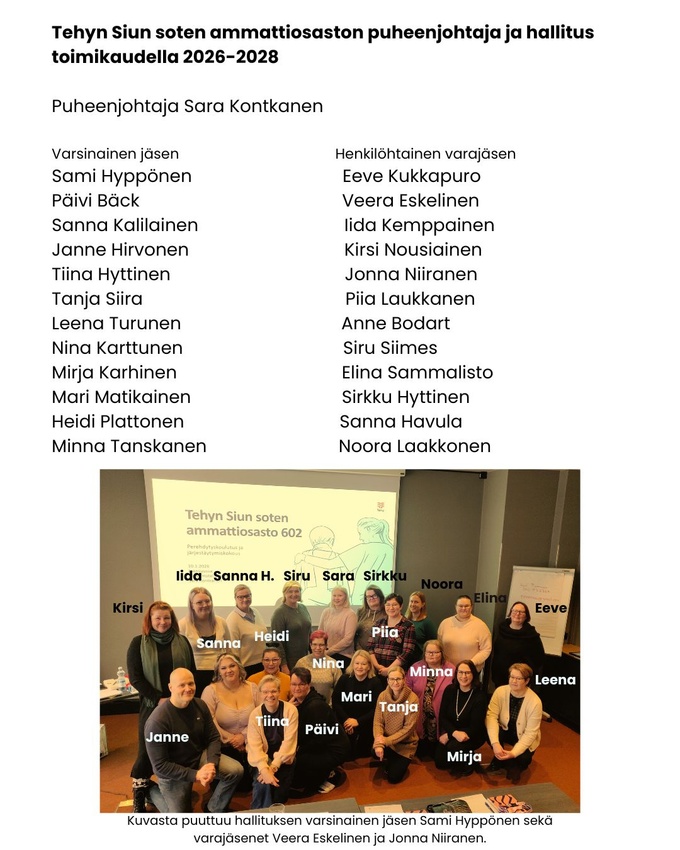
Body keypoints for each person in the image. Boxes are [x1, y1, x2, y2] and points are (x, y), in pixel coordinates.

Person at [127, 601, 196, 812]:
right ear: (150, 620)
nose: (162, 622)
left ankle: (172, 788)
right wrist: (159, 699)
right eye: (157, 618)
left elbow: (191, 671)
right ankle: (140, 794)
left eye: (166, 618)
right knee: (146, 751)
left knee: (177, 747)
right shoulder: (138, 643)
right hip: (152, 705)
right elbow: (136, 678)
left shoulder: (182, 641)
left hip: (181, 705)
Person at [144, 668, 243, 813]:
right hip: (173, 772)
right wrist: (196, 775)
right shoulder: (157, 721)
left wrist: (211, 764)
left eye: (191, 683)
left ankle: (214, 808)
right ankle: (150, 791)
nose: (188, 688)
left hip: (197, 757)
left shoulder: (200, 705)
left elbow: (213, 737)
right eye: (182, 685)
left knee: (236, 771)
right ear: (171, 687)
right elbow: (160, 766)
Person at [288, 667, 350, 796]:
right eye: (294, 684)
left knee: (299, 769)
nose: (297, 688)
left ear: (309, 685)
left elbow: (318, 741)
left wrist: (297, 752)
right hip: (320, 745)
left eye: (301, 684)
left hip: (333, 750)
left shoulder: (315, 706)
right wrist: (289, 709)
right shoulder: (299, 702)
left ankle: (331, 774)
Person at [201, 653, 262, 777]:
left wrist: (243, 736)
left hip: (251, 742)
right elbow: (209, 721)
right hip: (222, 746)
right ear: (219, 672)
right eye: (223, 668)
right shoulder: (210, 691)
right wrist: (231, 739)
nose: (228, 670)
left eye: (232, 666)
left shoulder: (253, 688)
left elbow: (261, 716)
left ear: (239, 667)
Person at [247, 675, 298, 809]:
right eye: (265, 692)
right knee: (262, 783)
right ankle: (258, 815)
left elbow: (289, 742)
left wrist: (273, 767)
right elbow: (254, 746)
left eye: (273, 691)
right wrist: (264, 769)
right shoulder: (255, 715)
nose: (270, 695)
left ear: (279, 692)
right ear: (260, 694)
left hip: (284, 757)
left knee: (279, 796)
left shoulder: (291, 710)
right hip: (261, 756)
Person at [486, 663, 542, 781]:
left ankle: (514, 762)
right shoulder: (500, 691)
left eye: (518, 678)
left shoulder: (535, 702)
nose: (513, 681)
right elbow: (491, 717)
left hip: (523, 736)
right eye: (512, 677)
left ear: (527, 681)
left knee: (519, 765)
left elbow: (530, 733)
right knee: (488, 731)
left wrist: (513, 753)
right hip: (505, 730)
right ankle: (498, 758)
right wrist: (495, 743)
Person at [435, 660, 487, 776]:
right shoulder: (450, 690)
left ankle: (468, 759)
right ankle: (465, 756)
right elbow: (443, 717)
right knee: (440, 762)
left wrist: (449, 735)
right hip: (454, 732)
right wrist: (453, 733)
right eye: (460, 672)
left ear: (473, 675)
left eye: (467, 673)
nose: (463, 676)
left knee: (454, 748)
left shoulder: (479, 696)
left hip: (472, 734)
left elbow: (475, 727)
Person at [405, 639, 456, 756]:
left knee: (438, 754)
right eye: (429, 652)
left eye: (435, 652)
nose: (432, 655)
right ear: (424, 653)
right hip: (419, 712)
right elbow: (407, 688)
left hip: (441, 714)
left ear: (442, 653)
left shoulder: (451, 669)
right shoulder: (416, 667)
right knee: (420, 750)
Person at [178, 587, 232, 693]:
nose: (204, 605)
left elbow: (229, 651)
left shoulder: (221, 622)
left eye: (207, 601)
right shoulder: (183, 625)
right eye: (199, 602)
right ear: (191, 605)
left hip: (220, 675)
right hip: (195, 676)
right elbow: (180, 656)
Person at [332, 649, 383, 759]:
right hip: (345, 721)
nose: (359, 667)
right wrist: (346, 721)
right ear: (352, 664)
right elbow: (336, 702)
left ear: (369, 666)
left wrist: (358, 722)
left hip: (366, 723)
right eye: (357, 663)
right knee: (346, 755)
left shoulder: (375, 682)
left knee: (363, 754)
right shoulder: (344, 679)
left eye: (363, 664)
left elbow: (377, 709)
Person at [372, 666, 419, 784]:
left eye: (398, 679)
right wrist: (379, 743)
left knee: (393, 778)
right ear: (388, 680)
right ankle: (391, 758)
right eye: (392, 679)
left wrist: (385, 741)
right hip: (387, 741)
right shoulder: (382, 696)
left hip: (405, 744)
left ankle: (394, 760)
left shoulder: (413, 699)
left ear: (404, 680)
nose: (395, 682)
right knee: (373, 751)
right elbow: (378, 722)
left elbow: (408, 729)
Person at [491, 601, 545, 688]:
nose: (517, 614)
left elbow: (539, 657)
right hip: (500, 675)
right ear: (510, 612)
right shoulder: (502, 628)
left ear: (526, 616)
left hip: (519, 678)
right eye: (515, 611)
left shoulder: (531, 634)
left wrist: (525, 671)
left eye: (521, 612)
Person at [437, 595, 492, 672]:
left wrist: (471, 663)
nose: (463, 608)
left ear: (471, 607)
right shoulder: (445, 623)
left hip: (470, 671)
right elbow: (439, 645)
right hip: (447, 670)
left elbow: (486, 649)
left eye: (466, 606)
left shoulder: (481, 626)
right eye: (460, 606)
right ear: (456, 607)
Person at [368, 593, 417, 678]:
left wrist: (389, 669)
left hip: (396, 673)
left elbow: (407, 652)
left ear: (401, 606)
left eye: (394, 605)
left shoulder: (408, 626)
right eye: (388, 605)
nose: (391, 608)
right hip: (375, 670)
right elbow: (370, 647)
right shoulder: (378, 623)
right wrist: (377, 666)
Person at [224, 584, 268, 677]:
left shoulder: (256, 612)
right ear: (235, 598)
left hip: (262, 664)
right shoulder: (232, 620)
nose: (245, 599)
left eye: (247, 596)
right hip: (246, 668)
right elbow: (233, 651)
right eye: (240, 597)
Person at [270, 580, 312, 674]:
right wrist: (283, 665)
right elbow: (277, 641)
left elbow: (309, 633)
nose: (294, 594)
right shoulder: (279, 613)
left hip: (305, 659)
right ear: (284, 593)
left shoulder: (303, 608)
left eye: (297, 591)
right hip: (289, 663)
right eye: (290, 591)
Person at [295, 630, 343, 704]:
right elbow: (295, 687)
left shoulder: (333, 663)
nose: (318, 648)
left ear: (326, 646)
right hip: (305, 706)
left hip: (328, 706)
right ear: (310, 645)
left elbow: (340, 688)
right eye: (314, 644)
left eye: (321, 645)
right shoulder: (301, 663)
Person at [319, 586, 358, 665]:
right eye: (334, 595)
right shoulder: (326, 612)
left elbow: (348, 639)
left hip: (343, 655)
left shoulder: (350, 614)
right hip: (325, 653)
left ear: (345, 597)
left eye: (340, 595)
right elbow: (320, 633)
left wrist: (329, 652)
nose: (336, 598)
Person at [406, 591, 438, 662]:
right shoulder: (404, 621)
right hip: (404, 660)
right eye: (411, 601)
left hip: (420, 661)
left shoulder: (427, 623)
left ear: (423, 604)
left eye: (416, 602)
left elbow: (433, 644)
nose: (413, 604)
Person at [355, 585, 387, 650]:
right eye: (368, 596)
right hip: (359, 652)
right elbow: (354, 633)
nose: (371, 598)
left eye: (374, 596)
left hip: (378, 652)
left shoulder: (386, 613)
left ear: (380, 597)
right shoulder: (360, 612)